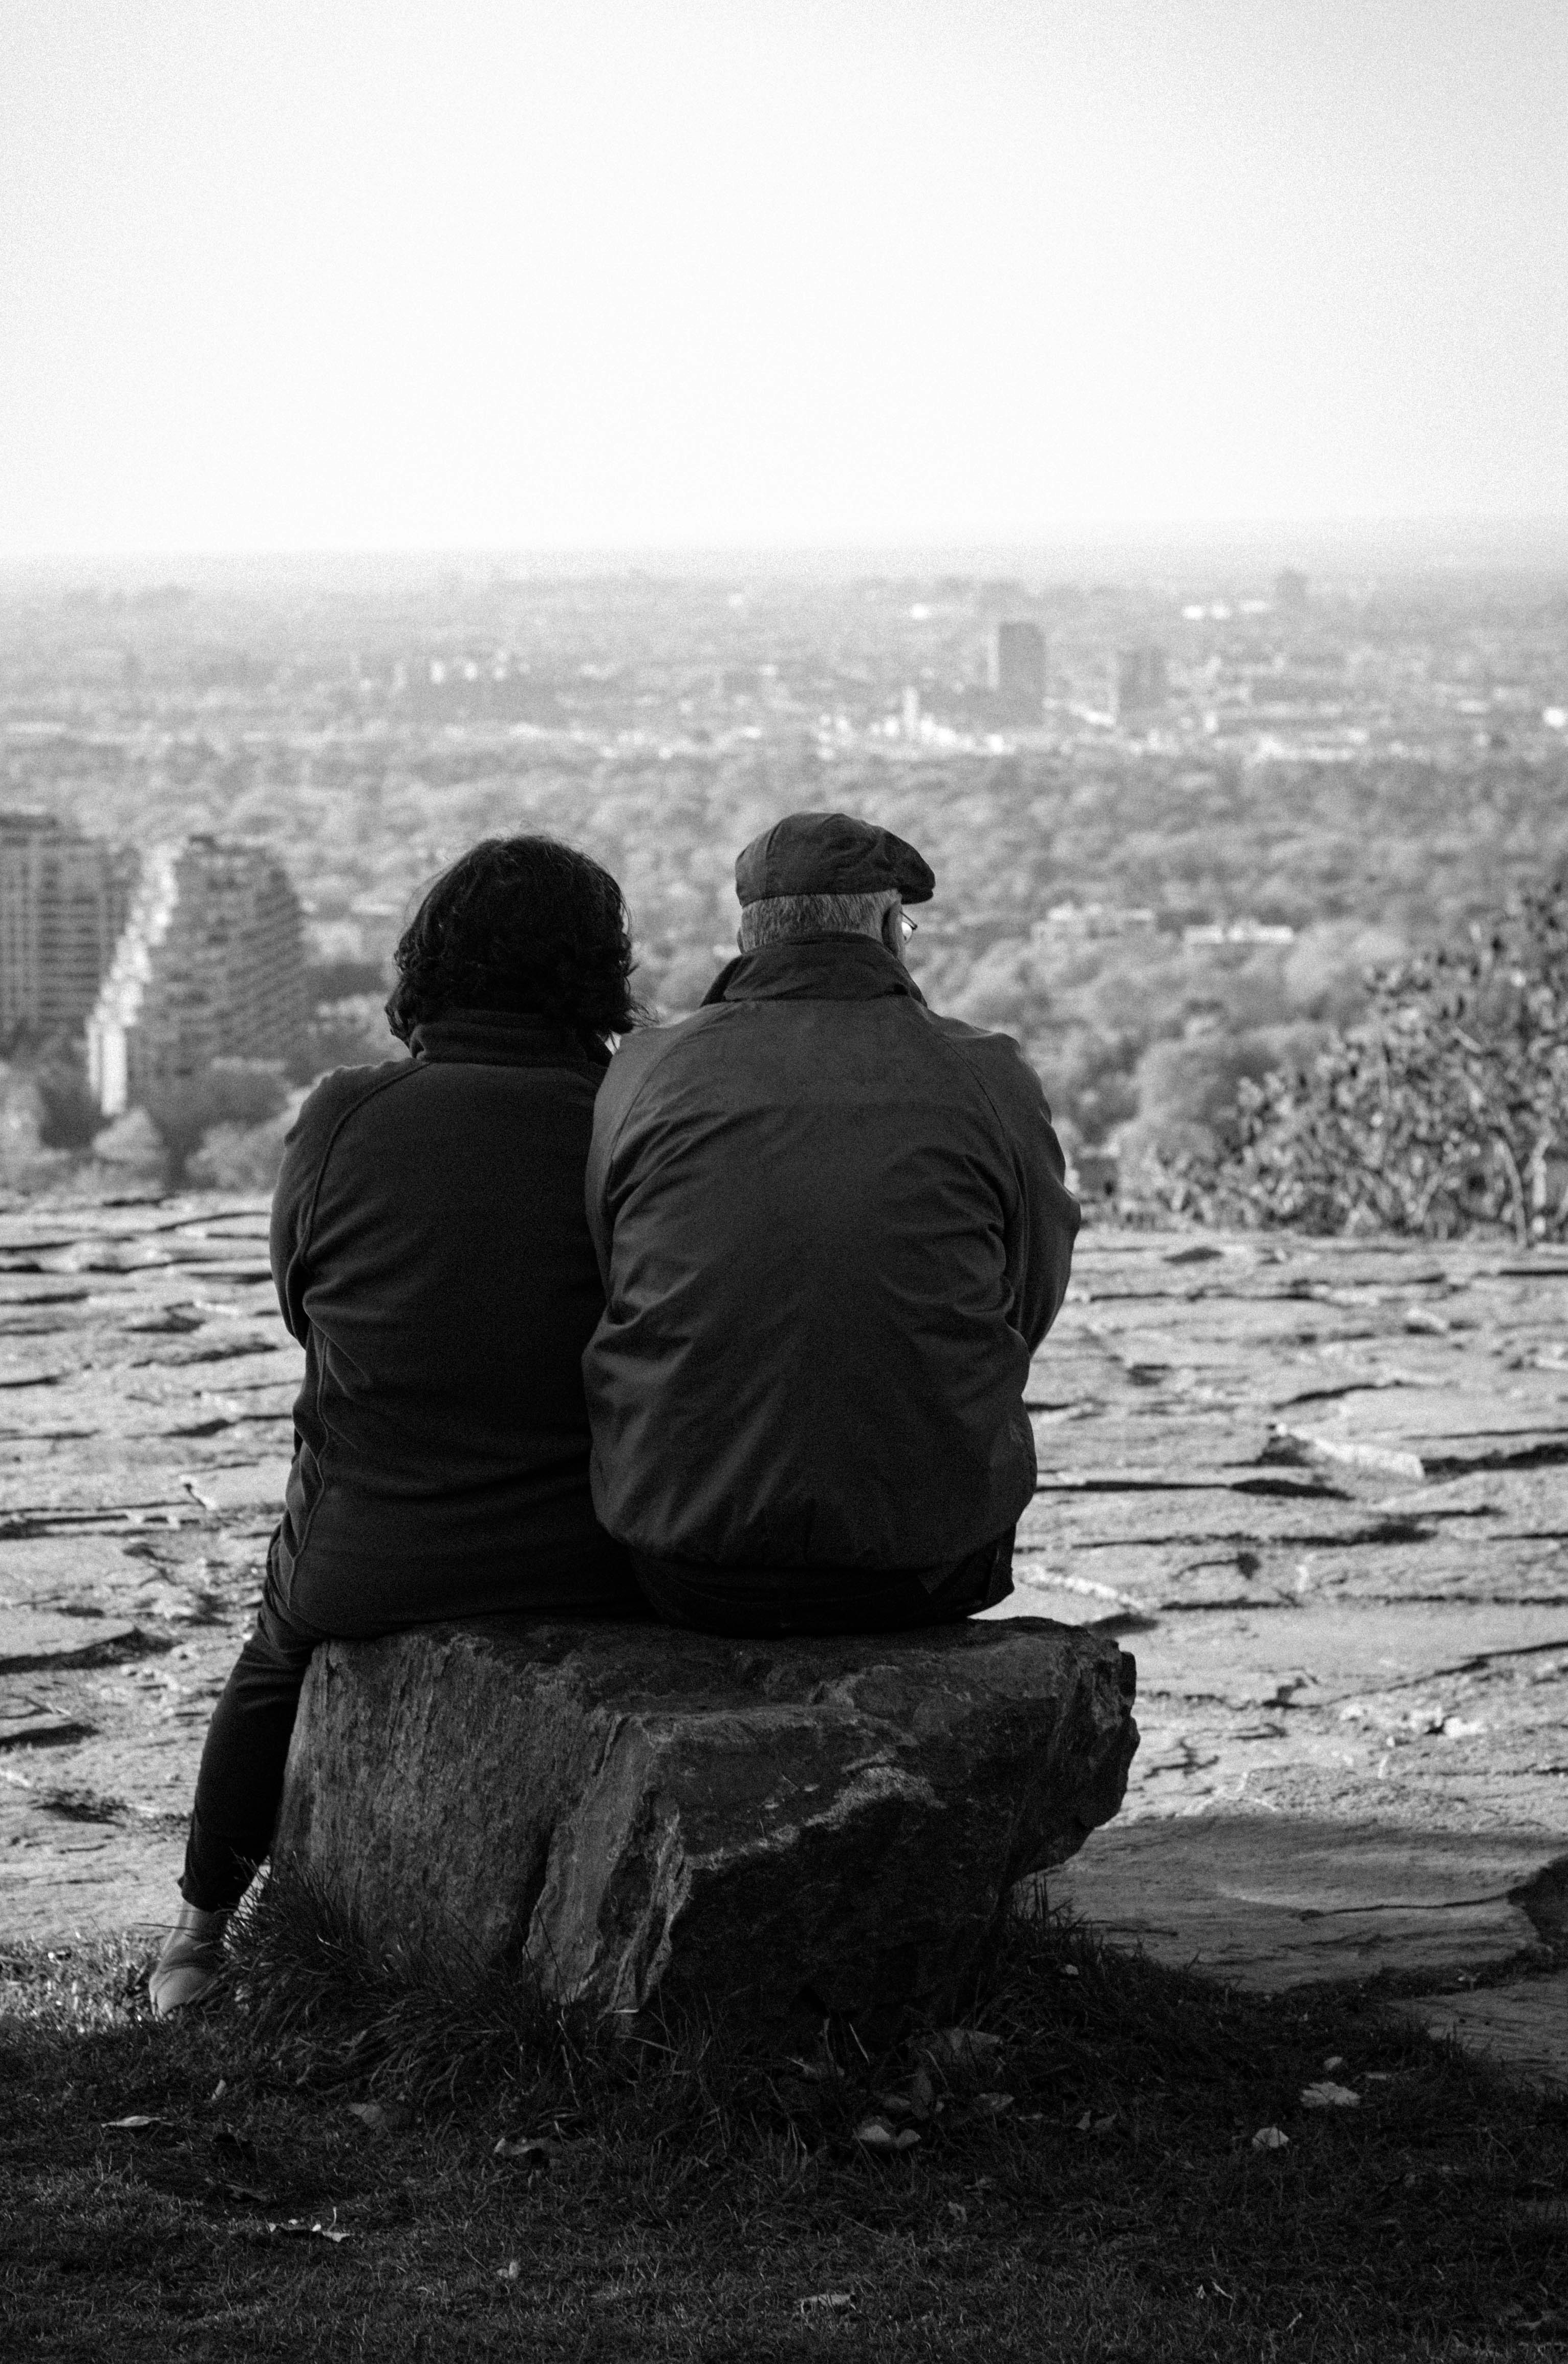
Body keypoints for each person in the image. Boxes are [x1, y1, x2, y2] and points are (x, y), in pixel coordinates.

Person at [149, 834, 642, 2014]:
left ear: (427, 967)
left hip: (372, 1560)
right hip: (604, 1554)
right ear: (597, 975)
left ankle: (198, 1940)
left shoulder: (344, 1116)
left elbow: (300, 1306)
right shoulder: (636, 1120)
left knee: (276, 1651)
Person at [583, 809, 1080, 1637]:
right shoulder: (986, 1074)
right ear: (889, 928)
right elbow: (1026, 1301)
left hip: (685, 1560)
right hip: (929, 1562)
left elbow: (617, 1271)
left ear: (751, 938)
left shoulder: (645, 1072)